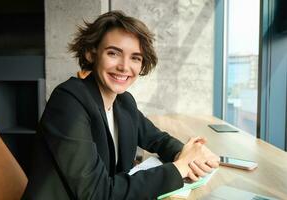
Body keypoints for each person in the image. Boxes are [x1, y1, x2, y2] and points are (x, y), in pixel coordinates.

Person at [23, 10, 219, 200]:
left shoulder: (124, 102)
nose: (124, 67)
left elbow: (158, 139)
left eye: (135, 57)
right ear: (92, 54)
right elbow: (96, 194)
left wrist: (185, 153)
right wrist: (180, 168)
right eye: (113, 53)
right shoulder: (68, 102)